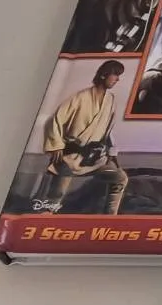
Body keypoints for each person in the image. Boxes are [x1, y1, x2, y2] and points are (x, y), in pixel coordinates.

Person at [36, 60, 129, 214]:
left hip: (94, 158)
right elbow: (54, 120)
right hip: (70, 156)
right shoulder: (80, 97)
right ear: (103, 75)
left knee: (120, 178)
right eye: (115, 75)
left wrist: (111, 153)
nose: (117, 79)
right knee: (56, 196)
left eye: (119, 76)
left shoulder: (110, 100)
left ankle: (109, 218)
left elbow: (107, 129)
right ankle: (45, 217)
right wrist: (56, 146)